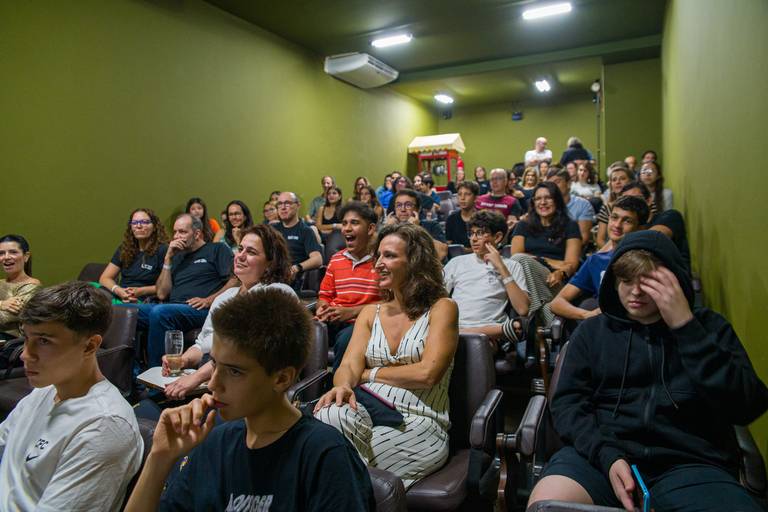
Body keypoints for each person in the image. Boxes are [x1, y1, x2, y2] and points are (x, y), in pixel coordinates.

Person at [527, 230, 768, 512]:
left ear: (674, 282)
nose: (636, 292)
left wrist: (686, 328)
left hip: (691, 463)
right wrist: (607, 455)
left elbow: (746, 405)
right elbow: (569, 404)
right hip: (601, 456)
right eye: (627, 281)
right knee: (548, 504)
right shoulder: (592, 332)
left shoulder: (709, 328)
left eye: (649, 282)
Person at [126, 289, 375, 511]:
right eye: (215, 365)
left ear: (281, 378)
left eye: (234, 371)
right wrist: (160, 458)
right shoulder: (213, 444)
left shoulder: (324, 455)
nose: (213, 384)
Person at [314, 223, 459, 489]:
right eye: (378, 255)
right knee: (329, 415)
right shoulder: (371, 312)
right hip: (368, 409)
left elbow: (427, 373)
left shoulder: (442, 308)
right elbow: (348, 365)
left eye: (389, 256)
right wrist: (343, 385)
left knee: (329, 461)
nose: (378, 263)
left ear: (415, 262)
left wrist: (370, 374)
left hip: (418, 421)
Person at [0, 282, 142, 510]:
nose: (26, 355)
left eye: (44, 341)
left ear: (90, 346)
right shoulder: (45, 391)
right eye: (26, 338)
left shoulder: (103, 427)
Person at [162, 224, 295, 399]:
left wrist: (197, 377)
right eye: (240, 249)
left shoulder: (277, 292)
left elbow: (242, 351)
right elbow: (203, 344)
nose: (240, 256)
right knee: (149, 406)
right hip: (211, 379)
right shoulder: (225, 297)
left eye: (251, 252)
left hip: (250, 388)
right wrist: (183, 360)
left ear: (270, 263)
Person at [138, 214, 235, 367]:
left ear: (197, 234)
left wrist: (209, 300)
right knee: (126, 311)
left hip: (201, 309)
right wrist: (168, 259)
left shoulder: (217, 249)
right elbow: (162, 293)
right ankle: (132, 372)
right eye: (175, 232)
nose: (176, 236)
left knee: (160, 312)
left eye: (182, 232)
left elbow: (235, 280)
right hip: (173, 307)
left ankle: (155, 377)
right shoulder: (177, 256)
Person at [550, 195, 649, 322]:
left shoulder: (648, 261)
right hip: (602, 324)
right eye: (614, 217)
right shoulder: (596, 260)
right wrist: (586, 315)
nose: (617, 225)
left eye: (627, 221)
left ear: (641, 228)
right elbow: (557, 303)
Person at [444, 210, 529, 342]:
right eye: (471, 233)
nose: (473, 239)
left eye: (480, 233)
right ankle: (463, 332)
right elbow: (436, 298)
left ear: (497, 237)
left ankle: (463, 333)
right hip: (457, 326)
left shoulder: (512, 266)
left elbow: (523, 309)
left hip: (489, 333)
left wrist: (501, 268)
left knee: (481, 341)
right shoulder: (456, 263)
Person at [316, 202, 381, 370]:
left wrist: (351, 312)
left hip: (364, 323)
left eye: (355, 223)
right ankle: (306, 383)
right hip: (333, 320)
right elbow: (324, 295)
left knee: (346, 340)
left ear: (370, 228)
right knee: (299, 332)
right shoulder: (336, 259)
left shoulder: (382, 261)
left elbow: (391, 304)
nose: (347, 228)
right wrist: (323, 308)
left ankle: (338, 384)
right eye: (344, 223)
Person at [510, 182, 582, 323]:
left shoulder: (570, 225)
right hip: (525, 280)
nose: (542, 202)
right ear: (533, 202)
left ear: (557, 200)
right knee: (519, 260)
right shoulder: (523, 225)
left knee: (522, 260)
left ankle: (531, 321)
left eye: (548, 198)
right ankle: (547, 321)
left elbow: (571, 265)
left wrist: (558, 270)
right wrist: (551, 262)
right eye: (538, 198)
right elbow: (515, 258)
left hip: (555, 279)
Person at [99, 208, 169, 304]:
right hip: (120, 296)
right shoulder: (125, 248)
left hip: (145, 299)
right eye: (135, 223)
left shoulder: (163, 250)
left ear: (154, 227)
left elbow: (167, 287)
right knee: (89, 290)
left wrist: (141, 291)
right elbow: (105, 278)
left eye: (144, 222)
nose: (139, 226)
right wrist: (118, 290)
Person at [272, 192, 323, 291]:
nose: (283, 207)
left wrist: (296, 268)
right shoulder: (272, 229)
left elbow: (318, 259)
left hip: (291, 281)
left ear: (298, 205)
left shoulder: (305, 231)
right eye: (280, 204)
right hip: (270, 277)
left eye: (287, 203)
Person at [384, 189, 448, 261]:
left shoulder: (431, 226)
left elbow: (441, 252)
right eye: (398, 205)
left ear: (418, 209)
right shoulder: (390, 229)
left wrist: (416, 229)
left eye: (408, 205)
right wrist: (387, 230)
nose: (403, 209)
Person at [0, 235, 41, 340]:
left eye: (13, 252)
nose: (6, 257)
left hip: (11, 342)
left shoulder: (31, 286)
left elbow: (6, 318)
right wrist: (2, 304)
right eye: (1, 253)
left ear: (26, 256)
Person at [547, 168, 595, 246]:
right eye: (550, 184)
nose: (553, 186)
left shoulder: (583, 205)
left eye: (557, 182)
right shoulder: (544, 205)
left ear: (568, 183)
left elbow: (583, 239)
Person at [596, 166, 634, 248]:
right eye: (614, 180)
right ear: (611, 186)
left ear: (631, 182)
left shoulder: (639, 206)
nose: (618, 182)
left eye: (622, 179)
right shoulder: (607, 208)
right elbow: (600, 240)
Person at [445, 180, 479, 248]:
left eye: (467, 194)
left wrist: (466, 251)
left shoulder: (482, 219)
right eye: (460, 194)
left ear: (475, 198)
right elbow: (449, 244)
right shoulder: (451, 219)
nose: (462, 198)